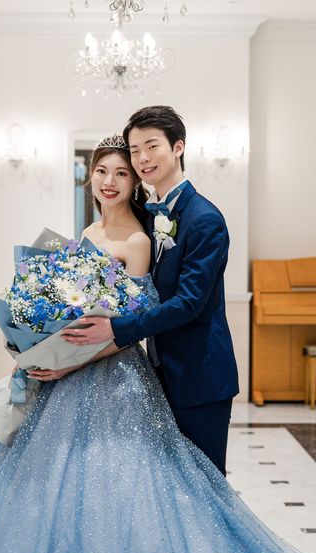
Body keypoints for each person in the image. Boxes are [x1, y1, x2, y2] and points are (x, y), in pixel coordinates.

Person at [0, 136, 316, 553]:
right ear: (89, 177)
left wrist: (70, 362)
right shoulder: (87, 233)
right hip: (68, 369)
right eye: (102, 171)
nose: (110, 181)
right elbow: (70, 311)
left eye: (121, 173)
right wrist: (35, 346)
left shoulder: (139, 240)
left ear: (136, 181)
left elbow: (132, 324)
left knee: (119, 481)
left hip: (112, 371)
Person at [62, 106, 238, 476]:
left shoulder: (204, 219)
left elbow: (188, 304)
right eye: (135, 149)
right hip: (157, 373)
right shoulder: (149, 217)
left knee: (204, 484)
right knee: (169, 486)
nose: (143, 157)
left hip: (198, 376)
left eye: (152, 146)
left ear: (178, 147)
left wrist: (115, 330)